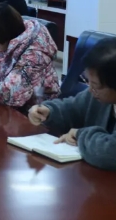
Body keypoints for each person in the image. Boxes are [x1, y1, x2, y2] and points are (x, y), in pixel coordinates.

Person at [28, 38, 116, 171]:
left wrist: (80, 135)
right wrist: (49, 111)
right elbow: (73, 109)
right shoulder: (96, 95)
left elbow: (111, 153)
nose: (90, 89)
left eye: (96, 85)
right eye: (88, 81)